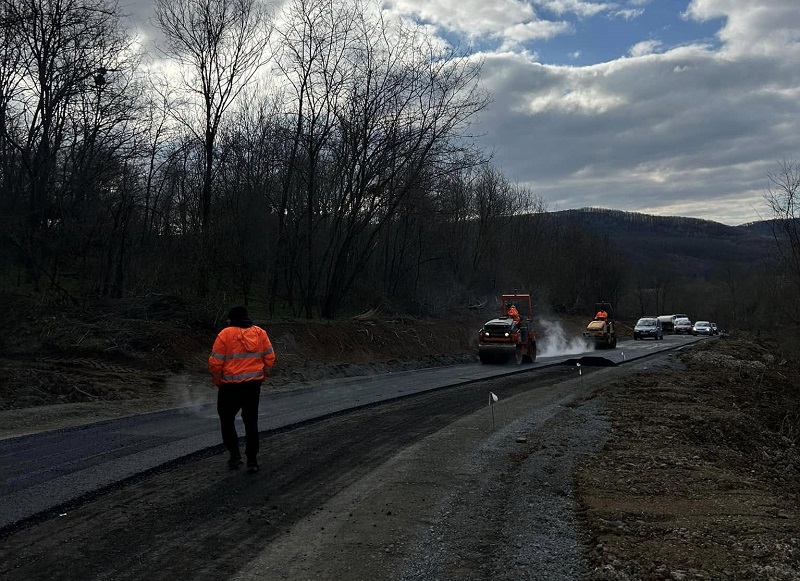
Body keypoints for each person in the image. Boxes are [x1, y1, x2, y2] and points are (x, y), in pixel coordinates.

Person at [209, 306, 275, 473]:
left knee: (227, 420)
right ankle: (252, 461)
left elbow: (215, 363)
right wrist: (262, 376)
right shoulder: (260, 333)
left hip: (229, 387)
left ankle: (235, 456)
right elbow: (270, 357)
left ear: (231, 319)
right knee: (251, 421)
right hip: (252, 386)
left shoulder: (225, 334)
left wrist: (218, 381)